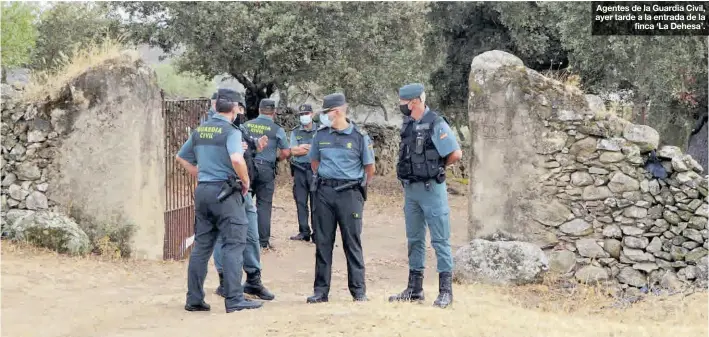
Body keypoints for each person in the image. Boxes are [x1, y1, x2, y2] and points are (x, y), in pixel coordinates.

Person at [176, 88, 262, 313]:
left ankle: (194, 299)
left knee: (202, 247)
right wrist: (245, 182)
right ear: (233, 109)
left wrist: (200, 173)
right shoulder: (231, 131)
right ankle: (234, 298)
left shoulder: (200, 130)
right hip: (226, 193)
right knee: (234, 244)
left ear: (216, 107)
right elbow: (236, 158)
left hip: (204, 191)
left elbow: (181, 157)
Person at [388, 83, 462, 309]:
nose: (401, 106)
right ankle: (414, 289)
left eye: (403, 103)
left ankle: (445, 291)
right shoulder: (408, 125)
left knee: (440, 239)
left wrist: (438, 169)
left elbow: (455, 153)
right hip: (411, 191)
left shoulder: (436, 123)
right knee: (414, 239)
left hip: (431, 189)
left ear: (414, 102)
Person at [306, 93, 375, 303]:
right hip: (324, 192)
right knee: (323, 242)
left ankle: (358, 290)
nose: (324, 117)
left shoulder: (359, 136)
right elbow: (314, 163)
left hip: (350, 194)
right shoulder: (320, 135)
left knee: (352, 242)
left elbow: (369, 169)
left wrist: (356, 188)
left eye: (326, 113)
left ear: (337, 112)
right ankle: (320, 291)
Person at [212, 91, 275, 301]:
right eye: (238, 106)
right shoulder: (214, 129)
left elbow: (245, 151)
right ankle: (225, 282)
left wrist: (256, 146)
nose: (240, 110)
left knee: (251, 235)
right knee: (224, 236)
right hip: (227, 189)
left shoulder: (237, 128)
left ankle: (253, 280)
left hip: (242, 190)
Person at [244, 99, 291, 249]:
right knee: (264, 205)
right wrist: (277, 159)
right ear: (274, 112)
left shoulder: (246, 125)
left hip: (248, 168)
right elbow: (286, 152)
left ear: (259, 110)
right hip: (266, 169)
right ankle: (262, 242)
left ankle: (242, 237)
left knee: (243, 202)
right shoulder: (277, 129)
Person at [288, 104, 319, 243]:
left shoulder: (320, 130)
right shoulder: (296, 131)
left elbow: (319, 150)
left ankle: (317, 233)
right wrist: (310, 148)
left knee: (316, 203)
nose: (304, 116)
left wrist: (304, 148)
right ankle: (304, 231)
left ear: (312, 114)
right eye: (301, 114)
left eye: (306, 113)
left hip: (315, 171)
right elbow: (293, 151)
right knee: (301, 202)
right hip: (299, 170)